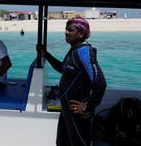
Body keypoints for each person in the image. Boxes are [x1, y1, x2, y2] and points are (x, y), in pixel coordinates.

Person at [37, 17, 106, 146]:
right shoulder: (74, 50)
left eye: (70, 30)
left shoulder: (85, 52)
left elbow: (100, 83)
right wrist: (45, 54)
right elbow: (64, 69)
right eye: (66, 29)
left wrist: (88, 107)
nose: (66, 32)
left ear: (80, 34)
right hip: (66, 110)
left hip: (77, 113)